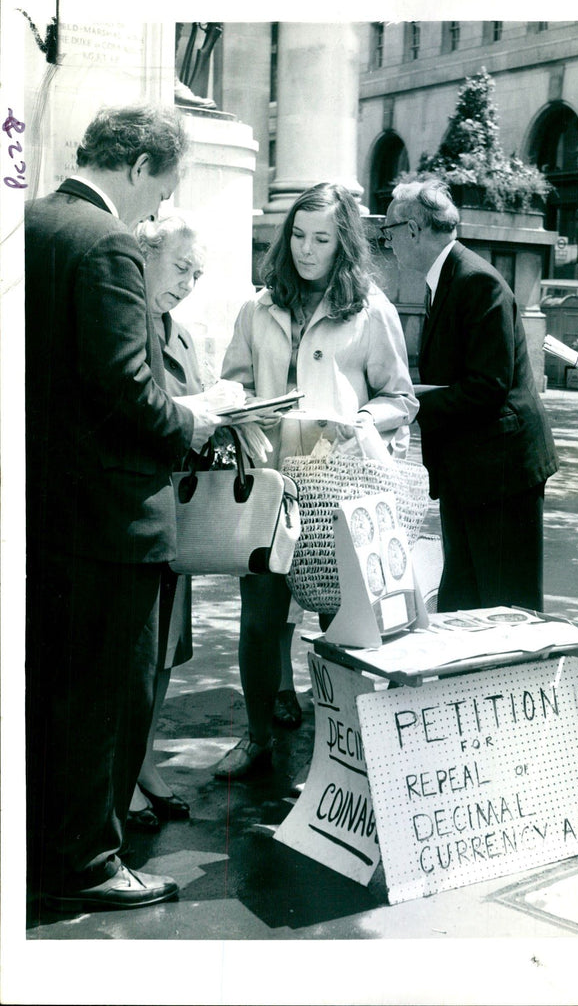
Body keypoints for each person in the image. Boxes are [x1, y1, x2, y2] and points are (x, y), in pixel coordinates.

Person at [25, 103, 222, 911]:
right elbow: (126, 392)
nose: (156, 212)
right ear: (138, 167)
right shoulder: (106, 243)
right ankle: (90, 864)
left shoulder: (31, 223)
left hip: (44, 510)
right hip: (109, 518)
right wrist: (198, 419)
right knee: (107, 697)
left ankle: (45, 846)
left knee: (53, 692)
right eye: (161, 189)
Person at [213, 182, 418, 778]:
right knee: (258, 616)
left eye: (321, 239)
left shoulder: (370, 309)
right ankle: (255, 740)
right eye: (298, 236)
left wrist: (359, 420)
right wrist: (245, 408)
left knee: (339, 621)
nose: (306, 250)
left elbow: (399, 398)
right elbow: (233, 384)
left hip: (339, 484)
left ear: (343, 243)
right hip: (271, 482)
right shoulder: (257, 307)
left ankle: (343, 754)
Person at [383, 177, 559, 613]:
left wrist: (408, 403)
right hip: (476, 470)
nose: (387, 243)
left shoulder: (477, 281)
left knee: (505, 610)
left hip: (501, 474)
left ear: (413, 230)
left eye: (388, 232)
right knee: (464, 602)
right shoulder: (449, 278)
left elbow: (487, 387)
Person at [126, 213, 213, 830]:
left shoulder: (180, 333)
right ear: (145, 253)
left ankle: (144, 760)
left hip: (178, 511)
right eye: (181, 268)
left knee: (163, 651)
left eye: (197, 275)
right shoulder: (123, 319)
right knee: (130, 650)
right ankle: (121, 775)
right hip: (131, 510)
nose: (187, 284)